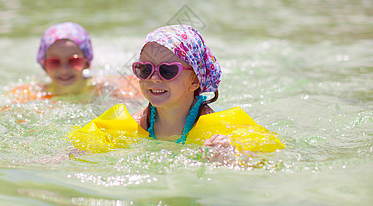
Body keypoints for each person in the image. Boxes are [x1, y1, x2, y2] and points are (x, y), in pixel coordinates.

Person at [67, 25, 284, 158]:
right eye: (145, 69)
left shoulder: (224, 132)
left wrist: (231, 159)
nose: (153, 78)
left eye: (167, 70)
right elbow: (66, 158)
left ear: (195, 81)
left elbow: (273, 162)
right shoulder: (124, 127)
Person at [9, 22, 142, 103]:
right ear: (43, 64)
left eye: (73, 61)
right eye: (54, 62)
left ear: (87, 62)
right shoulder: (30, 94)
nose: (64, 69)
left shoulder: (105, 88)